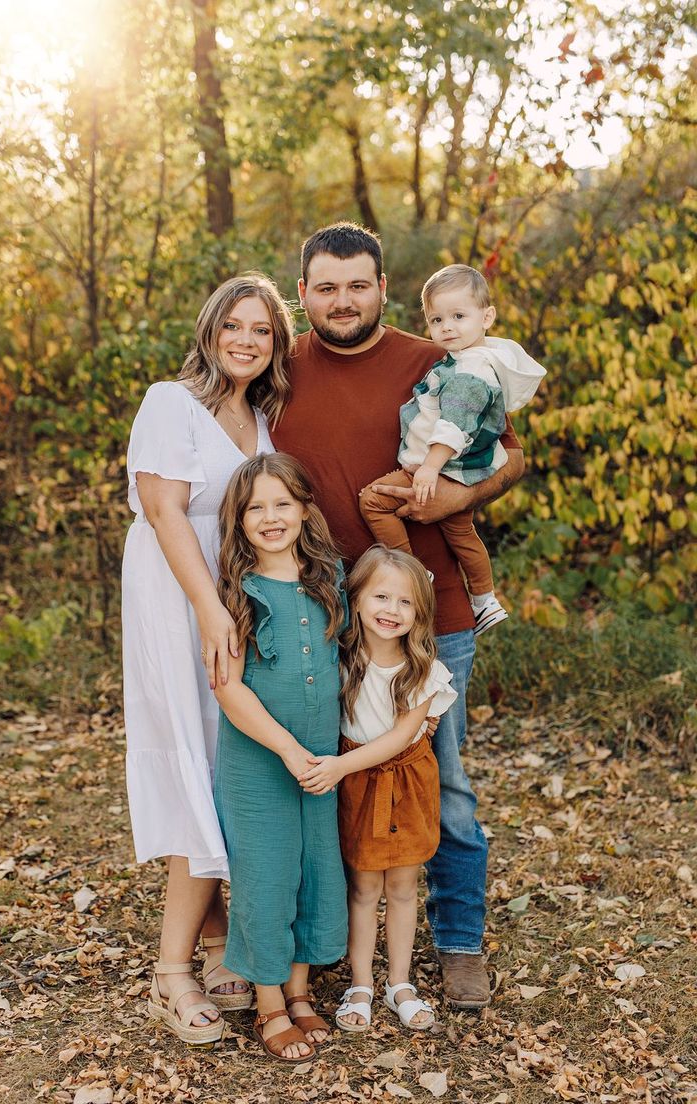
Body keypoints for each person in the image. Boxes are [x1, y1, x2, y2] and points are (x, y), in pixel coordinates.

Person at [271, 222, 526, 1009]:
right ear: (303, 292)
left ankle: (457, 945)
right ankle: (325, 949)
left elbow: (513, 456)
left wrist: (455, 495)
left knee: (437, 778)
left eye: (358, 284)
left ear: (383, 288)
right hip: (319, 619)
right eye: (326, 286)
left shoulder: (438, 360)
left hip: (432, 615)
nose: (342, 300)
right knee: (322, 777)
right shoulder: (277, 373)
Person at [121, 274, 293, 1044]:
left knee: (225, 756)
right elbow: (162, 510)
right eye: (236, 325)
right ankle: (170, 973)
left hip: (228, 600)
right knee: (194, 754)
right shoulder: (171, 401)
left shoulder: (259, 416)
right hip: (176, 592)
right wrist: (209, 608)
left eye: (262, 329)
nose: (247, 340)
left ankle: (221, 940)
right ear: (211, 329)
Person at [213, 453, 348, 1063]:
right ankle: (269, 1003)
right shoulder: (235, 593)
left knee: (316, 869)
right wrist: (290, 750)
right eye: (255, 508)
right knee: (267, 876)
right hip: (261, 760)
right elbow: (229, 687)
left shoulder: (329, 578)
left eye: (282, 504)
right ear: (239, 522)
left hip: (323, 758)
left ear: (303, 509)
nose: (270, 517)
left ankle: (299, 991)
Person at [300, 547, 457, 1032]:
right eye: (381, 596)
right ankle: (362, 983)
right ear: (357, 599)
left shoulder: (422, 669)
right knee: (365, 886)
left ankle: (401, 983)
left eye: (406, 602)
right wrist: (341, 768)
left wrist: (338, 766)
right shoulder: (338, 658)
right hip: (357, 785)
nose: (392, 610)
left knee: (404, 886)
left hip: (406, 781)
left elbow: (396, 738)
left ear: (420, 612)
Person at [359, 263, 546, 636]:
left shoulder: (470, 371)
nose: (447, 327)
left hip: (439, 469)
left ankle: (412, 572)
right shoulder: (460, 360)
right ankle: (486, 600)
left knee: (373, 501)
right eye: (437, 319)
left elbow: (454, 425)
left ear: (487, 316)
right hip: (452, 469)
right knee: (461, 534)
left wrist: (429, 468)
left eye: (459, 316)